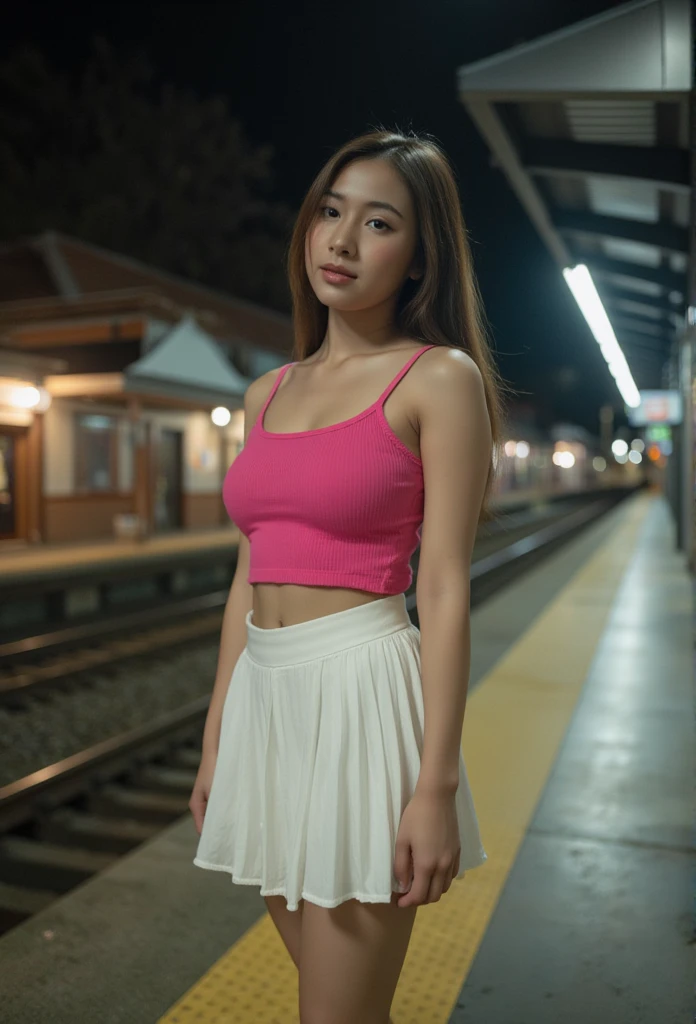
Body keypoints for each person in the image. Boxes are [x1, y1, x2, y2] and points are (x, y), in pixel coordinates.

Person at [189, 127, 503, 1024]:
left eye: (377, 224)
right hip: (265, 699)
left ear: (417, 258)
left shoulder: (435, 380)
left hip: (361, 695)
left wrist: (434, 786)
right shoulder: (267, 393)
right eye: (331, 212)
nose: (341, 240)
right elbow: (247, 575)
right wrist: (219, 738)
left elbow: (442, 588)